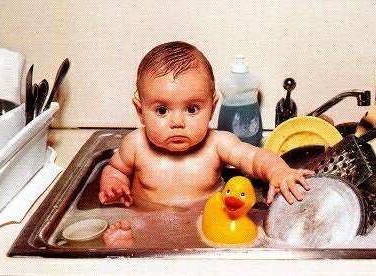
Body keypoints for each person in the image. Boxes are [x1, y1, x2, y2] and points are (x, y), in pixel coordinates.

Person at [98, 41, 313, 247]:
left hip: (208, 226)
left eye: (192, 109)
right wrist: (114, 184)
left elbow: (255, 157)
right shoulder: (135, 145)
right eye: (162, 110)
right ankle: (127, 243)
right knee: (134, 234)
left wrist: (277, 170)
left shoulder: (217, 144)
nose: (177, 123)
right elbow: (115, 169)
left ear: (212, 108)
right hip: (145, 223)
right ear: (140, 111)